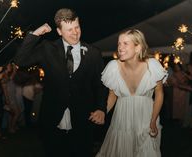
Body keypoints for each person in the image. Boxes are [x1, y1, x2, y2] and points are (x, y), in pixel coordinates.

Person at [13, 8, 108, 157]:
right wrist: (36, 34)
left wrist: (101, 108)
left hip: (83, 119)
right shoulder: (47, 49)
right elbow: (20, 60)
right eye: (69, 29)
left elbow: (101, 84)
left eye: (77, 27)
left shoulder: (93, 52)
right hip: (52, 118)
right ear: (59, 31)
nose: (75, 32)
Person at [96, 29, 168, 157]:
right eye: (119, 44)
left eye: (125, 44)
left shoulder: (152, 66)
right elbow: (112, 95)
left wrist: (153, 120)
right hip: (122, 120)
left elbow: (159, 94)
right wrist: (102, 112)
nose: (120, 48)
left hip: (146, 118)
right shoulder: (113, 67)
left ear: (138, 47)